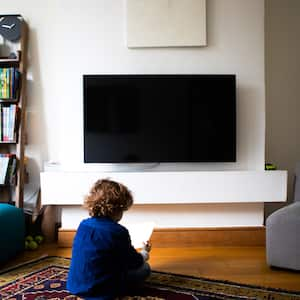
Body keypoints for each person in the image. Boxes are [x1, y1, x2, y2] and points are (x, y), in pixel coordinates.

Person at [67, 179, 151, 300]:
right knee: (145, 268)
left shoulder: (83, 225)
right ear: (116, 209)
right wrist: (145, 252)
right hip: (102, 290)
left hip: (76, 286)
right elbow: (134, 262)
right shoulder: (118, 231)